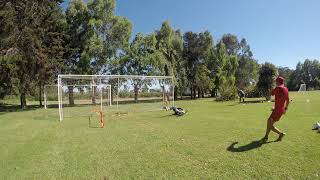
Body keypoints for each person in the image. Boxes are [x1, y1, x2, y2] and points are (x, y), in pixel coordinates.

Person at [261, 76, 289, 142]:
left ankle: (280, 134)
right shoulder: (286, 89)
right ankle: (266, 136)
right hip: (281, 110)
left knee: (269, 123)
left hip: (277, 110)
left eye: (276, 81)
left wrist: (271, 87)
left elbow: (269, 95)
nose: (275, 83)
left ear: (278, 82)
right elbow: (287, 100)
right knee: (270, 123)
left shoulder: (277, 88)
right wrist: (285, 109)